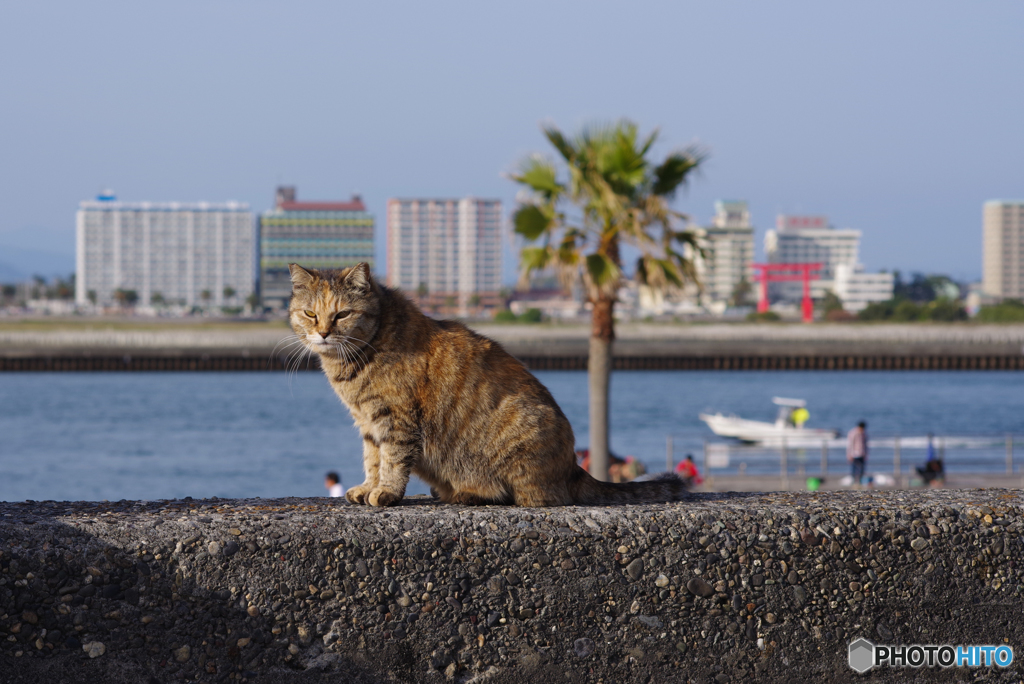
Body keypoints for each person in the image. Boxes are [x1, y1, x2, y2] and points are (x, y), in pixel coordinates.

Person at [846, 421, 868, 488]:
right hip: (854, 454)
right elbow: (850, 444)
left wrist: (866, 453)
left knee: (862, 468)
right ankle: (854, 482)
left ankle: (860, 481)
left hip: (862, 453)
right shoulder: (853, 433)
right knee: (854, 468)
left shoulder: (864, 433)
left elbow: (865, 444)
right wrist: (849, 454)